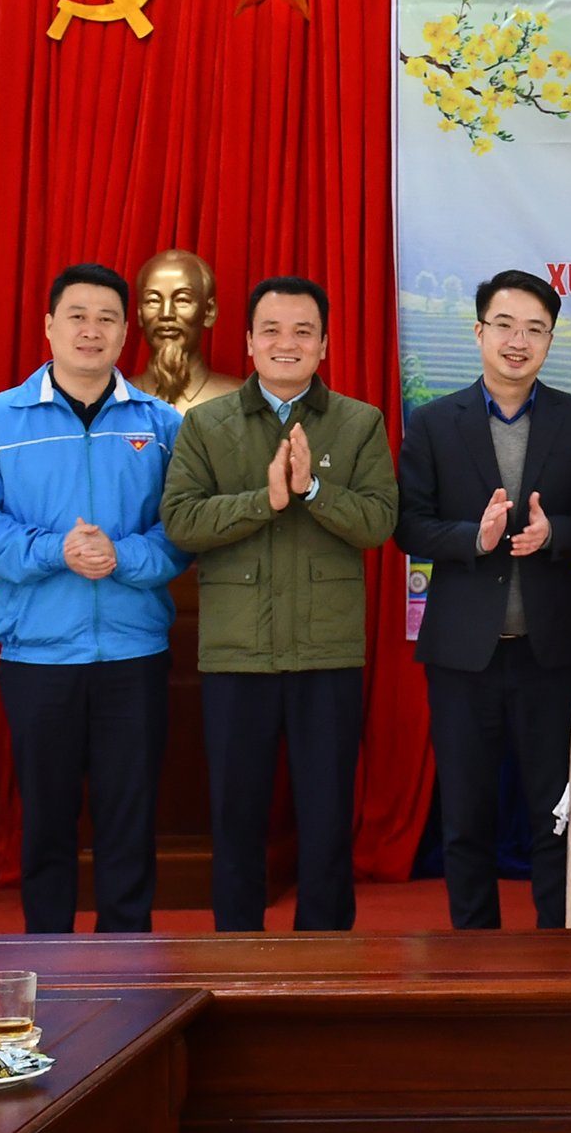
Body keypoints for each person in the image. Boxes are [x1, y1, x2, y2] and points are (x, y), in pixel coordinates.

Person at [0, 262, 189, 934]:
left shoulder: (161, 423)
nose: (91, 330)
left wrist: (122, 556)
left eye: (107, 318)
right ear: (49, 325)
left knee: (129, 820)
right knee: (47, 820)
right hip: (37, 657)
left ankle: (127, 962)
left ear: (126, 331)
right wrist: (56, 550)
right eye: (77, 315)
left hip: (134, 654)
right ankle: (47, 956)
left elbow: (184, 526)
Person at [162, 275, 398, 931]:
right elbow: (181, 521)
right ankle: (237, 952)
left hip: (327, 652)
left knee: (327, 815)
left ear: (324, 344)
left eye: (302, 331)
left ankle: (326, 954)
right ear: (247, 340)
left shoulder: (359, 422)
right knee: (236, 816)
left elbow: (379, 522)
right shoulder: (206, 424)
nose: (285, 343)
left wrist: (313, 488)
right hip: (237, 653)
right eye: (271, 330)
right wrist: (263, 500)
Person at [393, 269, 571, 930]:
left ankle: (560, 951)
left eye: (535, 329)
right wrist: (474, 537)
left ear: (550, 340)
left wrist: (556, 534)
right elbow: (408, 524)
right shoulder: (434, 423)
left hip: (553, 654)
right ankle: (474, 955)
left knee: (557, 812)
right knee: (466, 816)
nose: (519, 341)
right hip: (463, 655)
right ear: (479, 331)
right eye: (506, 326)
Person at [134, 248, 245, 413]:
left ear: (209, 311)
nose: (166, 314)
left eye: (182, 300)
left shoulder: (242, 402)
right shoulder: (114, 400)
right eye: (153, 301)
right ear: (139, 313)